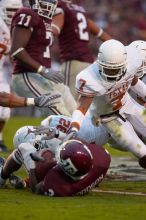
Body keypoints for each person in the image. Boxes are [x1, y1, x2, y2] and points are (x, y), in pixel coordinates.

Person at [62, 39, 146, 170]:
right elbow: (82, 107)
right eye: (108, 70)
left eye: (116, 70)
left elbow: (134, 81)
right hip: (108, 118)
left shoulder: (132, 60)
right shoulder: (89, 78)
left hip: (129, 106)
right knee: (142, 152)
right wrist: (74, 127)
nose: (112, 74)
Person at [6, 0, 76, 117]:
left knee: (75, 113)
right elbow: (16, 50)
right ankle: (31, 135)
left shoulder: (46, 21)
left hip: (44, 77)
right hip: (27, 75)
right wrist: (42, 70)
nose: (50, 3)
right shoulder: (27, 13)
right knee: (61, 115)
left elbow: (55, 28)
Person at [0, 138, 111, 196]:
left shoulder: (58, 185)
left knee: (24, 149)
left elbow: (36, 189)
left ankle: (2, 177)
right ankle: (24, 183)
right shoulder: (103, 159)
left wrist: (31, 164)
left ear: (66, 171)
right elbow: (80, 143)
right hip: (85, 174)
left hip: (58, 177)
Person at [51, 0, 112, 99]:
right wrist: (117, 46)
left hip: (72, 61)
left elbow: (55, 30)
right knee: (84, 102)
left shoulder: (61, 6)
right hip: (88, 64)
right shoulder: (79, 9)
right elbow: (100, 34)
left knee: (68, 100)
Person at [0, 14, 11, 151]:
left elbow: (8, 50)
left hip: (1, 75)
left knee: (4, 112)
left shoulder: (6, 27)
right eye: (10, 10)